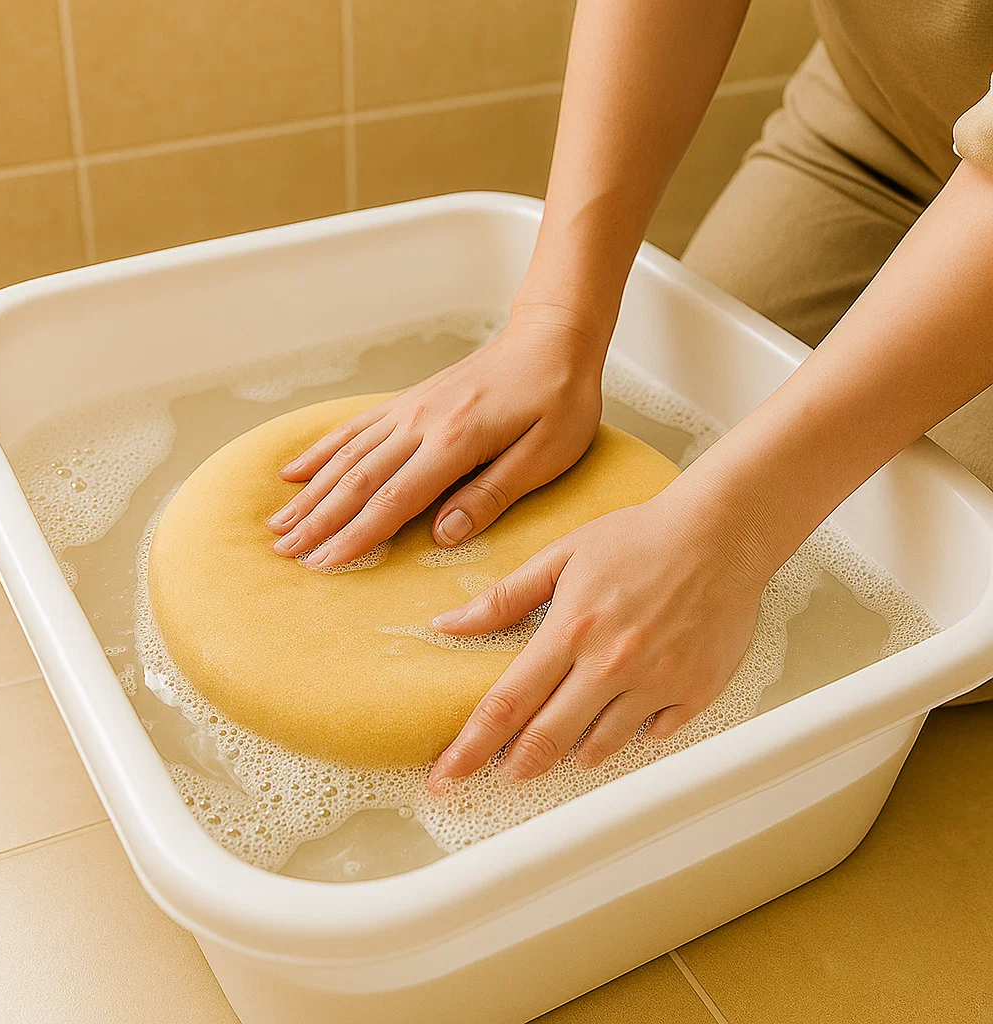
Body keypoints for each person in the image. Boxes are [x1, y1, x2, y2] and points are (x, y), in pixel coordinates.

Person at [266, 0, 993, 789]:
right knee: (705, 414)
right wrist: (552, 328)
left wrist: (730, 532)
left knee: (933, 600)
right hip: (879, 116)